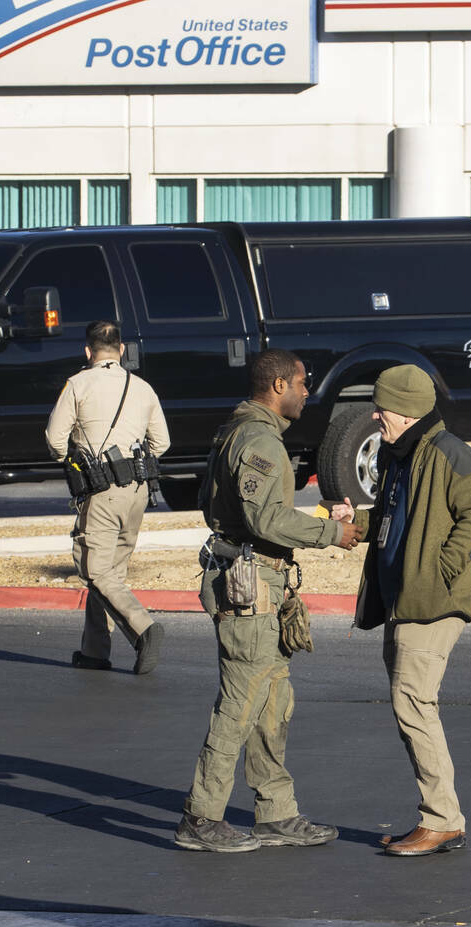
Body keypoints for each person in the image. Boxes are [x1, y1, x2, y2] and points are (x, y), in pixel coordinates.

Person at [175, 349, 364, 853]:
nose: (308, 391)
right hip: (250, 587)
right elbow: (266, 521)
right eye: (303, 383)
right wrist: (332, 532)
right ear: (278, 385)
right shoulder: (258, 440)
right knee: (241, 702)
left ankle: (276, 813)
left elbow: (239, 509)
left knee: (271, 704)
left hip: (257, 579)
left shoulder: (237, 432)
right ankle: (201, 816)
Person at [331, 364, 471, 857]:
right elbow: (391, 515)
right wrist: (354, 521)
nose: (376, 415)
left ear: (406, 410)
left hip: (431, 602)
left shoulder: (452, 454)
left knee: (413, 704)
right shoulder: (397, 453)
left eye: (382, 407)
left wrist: (441, 566)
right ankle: (439, 817)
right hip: (401, 599)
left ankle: (442, 820)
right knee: (411, 706)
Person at [46, 320, 170, 674]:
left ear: (87, 352)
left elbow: (55, 441)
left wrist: (71, 453)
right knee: (111, 571)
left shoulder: (78, 384)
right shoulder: (143, 388)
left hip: (100, 491)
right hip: (137, 491)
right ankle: (95, 651)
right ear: (123, 350)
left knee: (95, 569)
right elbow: (162, 443)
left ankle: (144, 628)